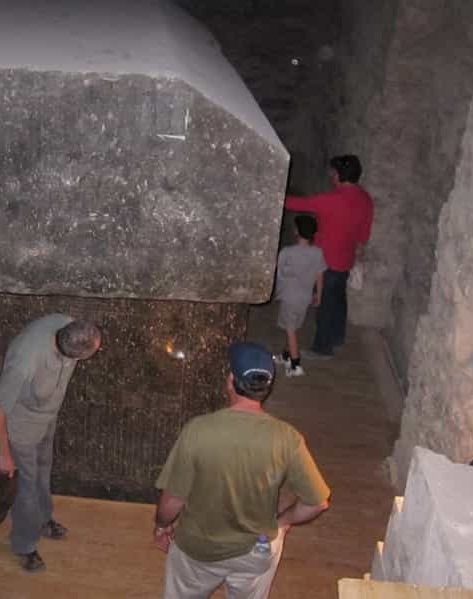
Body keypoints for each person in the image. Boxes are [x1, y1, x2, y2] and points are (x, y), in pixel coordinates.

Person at [152, 341, 331, 599]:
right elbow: (317, 503)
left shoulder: (199, 430)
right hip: (255, 551)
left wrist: (161, 525)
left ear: (230, 380)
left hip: (199, 551)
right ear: (266, 388)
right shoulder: (288, 437)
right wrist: (282, 522)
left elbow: (173, 501)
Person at [0, 315, 102, 573]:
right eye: (94, 351)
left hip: (47, 418)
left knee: (43, 474)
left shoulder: (70, 326)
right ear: (76, 355)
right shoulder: (26, 360)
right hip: (22, 427)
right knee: (26, 488)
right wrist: (4, 453)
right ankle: (24, 545)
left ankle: (41, 520)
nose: (98, 351)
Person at [284, 154, 373, 358]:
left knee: (323, 303)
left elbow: (298, 204)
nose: (331, 176)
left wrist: (273, 194)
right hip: (346, 258)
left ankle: (322, 348)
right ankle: (337, 337)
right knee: (338, 299)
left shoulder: (332, 199)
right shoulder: (365, 199)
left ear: (340, 175)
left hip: (326, 260)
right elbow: (363, 235)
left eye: (333, 172)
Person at [274, 215, 327, 377]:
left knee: (290, 330)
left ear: (296, 231)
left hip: (290, 297)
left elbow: (279, 272)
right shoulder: (318, 253)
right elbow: (320, 275)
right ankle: (286, 354)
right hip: (305, 297)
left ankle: (296, 365)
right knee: (293, 327)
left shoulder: (287, 252)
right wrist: (319, 294)